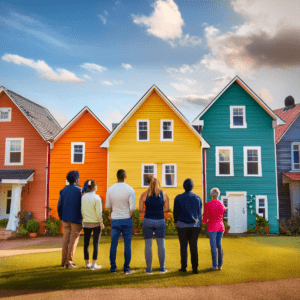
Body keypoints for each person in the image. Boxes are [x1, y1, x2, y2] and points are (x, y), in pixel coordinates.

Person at [105, 169, 136, 274]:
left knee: (113, 244)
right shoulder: (130, 189)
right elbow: (132, 208)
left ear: (117, 177)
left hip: (115, 220)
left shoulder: (110, 189)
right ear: (125, 177)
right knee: (127, 244)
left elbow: (108, 207)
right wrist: (128, 216)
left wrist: (114, 214)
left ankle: (113, 268)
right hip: (126, 219)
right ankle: (126, 268)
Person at [139, 177, 169, 274]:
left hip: (147, 220)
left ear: (149, 185)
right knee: (161, 245)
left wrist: (148, 210)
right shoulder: (164, 194)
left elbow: (140, 209)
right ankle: (162, 268)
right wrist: (159, 210)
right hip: (160, 221)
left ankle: (149, 269)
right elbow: (167, 208)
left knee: (148, 245)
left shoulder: (144, 194)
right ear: (158, 184)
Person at [173, 179, 202, 274]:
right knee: (194, 247)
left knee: (183, 247)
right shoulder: (198, 198)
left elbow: (175, 212)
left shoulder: (178, 198)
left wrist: (176, 221)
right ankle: (195, 268)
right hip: (195, 226)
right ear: (192, 186)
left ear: (183, 186)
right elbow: (199, 213)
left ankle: (183, 267)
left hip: (182, 226)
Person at [57, 170, 82, 268]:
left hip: (65, 219)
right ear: (77, 180)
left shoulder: (63, 190)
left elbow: (59, 205)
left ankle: (64, 261)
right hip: (76, 219)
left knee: (65, 239)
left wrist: (61, 216)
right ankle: (69, 262)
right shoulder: (80, 191)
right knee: (73, 241)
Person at [81, 180, 105, 270]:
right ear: (95, 187)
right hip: (96, 224)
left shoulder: (83, 197)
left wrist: (84, 219)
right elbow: (99, 212)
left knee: (86, 243)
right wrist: (101, 222)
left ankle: (87, 263)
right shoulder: (97, 197)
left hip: (86, 223)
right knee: (96, 244)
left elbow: (82, 210)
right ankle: (94, 264)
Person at [202, 187, 226, 271]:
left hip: (213, 226)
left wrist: (203, 221)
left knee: (213, 246)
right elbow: (222, 215)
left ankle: (214, 265)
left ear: (211, 195)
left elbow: (205, 219)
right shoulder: (222, 205)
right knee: (219, 245)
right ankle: (220, 265)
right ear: (218, 195)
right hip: (221, 226)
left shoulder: (208, 204)